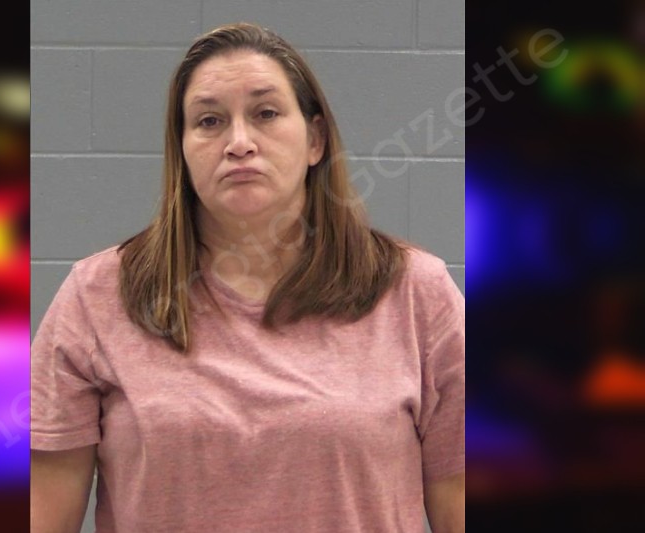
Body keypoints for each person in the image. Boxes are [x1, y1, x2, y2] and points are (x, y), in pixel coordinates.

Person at [31, 22, 464, 533]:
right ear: (182, 148)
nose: (239, 143)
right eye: (209, 121)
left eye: (266, 114)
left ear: (315, 140)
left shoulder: (416, 293)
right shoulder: (97, 297)